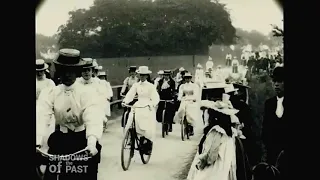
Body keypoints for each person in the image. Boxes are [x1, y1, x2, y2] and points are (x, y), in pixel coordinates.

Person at [36, 49, 103, 180]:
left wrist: (92, 141)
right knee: (51, 174)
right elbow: (41, 115)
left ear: (77, 72)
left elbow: (92, 115)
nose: (67, 75)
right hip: (60, 140)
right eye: (64, 70)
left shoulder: (87, 93)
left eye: (71, 71)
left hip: (81, 141)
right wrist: (37, 142)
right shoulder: (50, 93)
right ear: (59, 71)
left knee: (85, 173)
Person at [187, 100, 244, 180]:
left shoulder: (217, 132)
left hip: (215, 168)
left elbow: (211, 156)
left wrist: (201, 162)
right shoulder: (230, 132)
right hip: (225, 166)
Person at [122, 66, 160, 155]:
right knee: (132, 117)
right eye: (140, 75)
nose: (142, 77)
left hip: (147, 105)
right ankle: (132, 135)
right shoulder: (136, 85)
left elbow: (155, 97)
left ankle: (146, 140)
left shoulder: (151, 86)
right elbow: (130, 94)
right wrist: (125, 101)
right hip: (138, 104)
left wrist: (153, 104)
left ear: (147, 76)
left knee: (146, 121)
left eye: (144, 75)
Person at [76, 58, 109, 126]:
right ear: (81, 72)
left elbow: (103, 100)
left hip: (94, 116)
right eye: (84, 70)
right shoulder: (76, 83)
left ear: (92, 71)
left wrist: (103, 116)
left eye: (88, 70)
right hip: (79, 118)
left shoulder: (98, 83)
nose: (86, 72)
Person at [262, 67, 284, 165]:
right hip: (272, 153)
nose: (276, 84)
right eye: (274, 81)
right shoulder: (269, 104)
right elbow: (265, 128)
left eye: (280, 81)